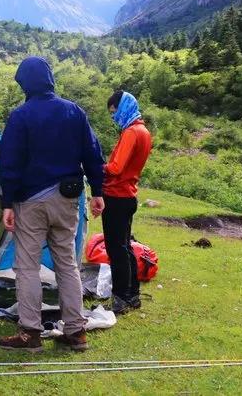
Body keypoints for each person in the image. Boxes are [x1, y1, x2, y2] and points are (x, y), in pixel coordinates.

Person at [0, 57, 104, 353]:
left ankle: (30, 334)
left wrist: (7, 202)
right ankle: (76, 331)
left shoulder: (20, 116)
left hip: (31, 201)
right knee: (67, 264)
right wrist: (97, 191)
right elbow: (93, 152)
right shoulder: (74, 111)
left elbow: (10, 163)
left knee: (27, 267)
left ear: (25, 83)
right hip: (69, 199)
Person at [102, 90, 152, 314]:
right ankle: (132, 294)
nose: (114, 119)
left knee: (116, 250)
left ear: (123, 108)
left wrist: (95, 167)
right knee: (125, 247)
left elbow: (115, 168)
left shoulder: (131, 132)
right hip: (129, 195)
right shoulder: (144, 131)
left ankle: (120, 297)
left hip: (117, 196)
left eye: (115, 113)